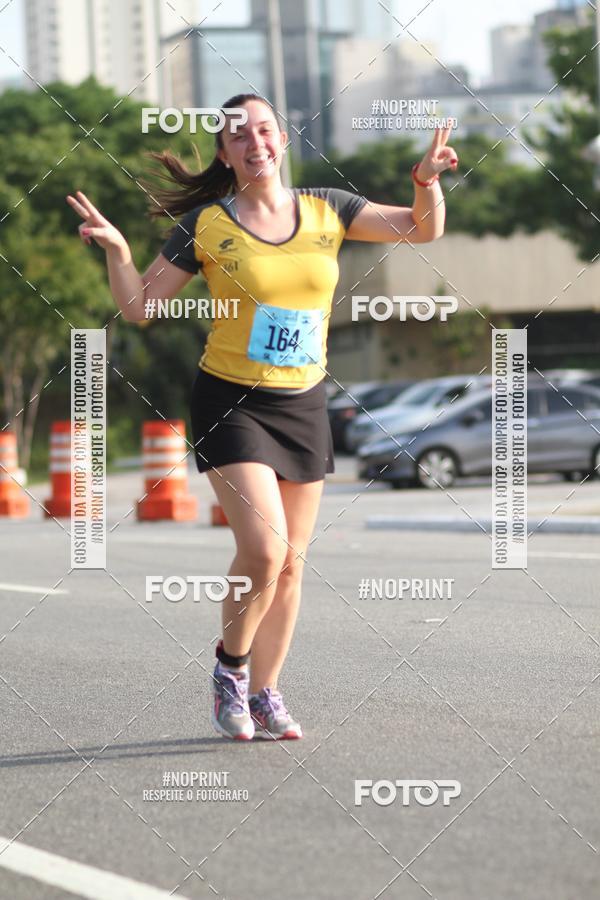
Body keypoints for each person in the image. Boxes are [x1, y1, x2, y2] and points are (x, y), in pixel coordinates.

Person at [67, 92, 458, 742]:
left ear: (283, 137)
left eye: (265, 129)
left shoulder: (329, 208)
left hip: (303, 402)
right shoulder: (206, 225)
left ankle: (266, 693)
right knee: (264, 549)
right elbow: (139, 308)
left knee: (292, 564)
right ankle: (231, 669)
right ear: (225, 153)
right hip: (231, 401)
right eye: (240, 135)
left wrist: (425, 181)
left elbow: (423, 229)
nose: (256, 142)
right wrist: (117, 251)